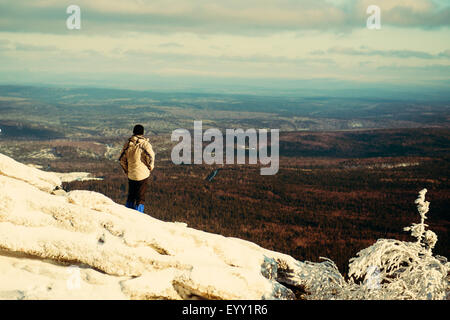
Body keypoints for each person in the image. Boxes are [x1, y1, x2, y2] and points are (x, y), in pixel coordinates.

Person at [119, 124, 155, 213]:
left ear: (133, 132)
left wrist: (127, 170)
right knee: (140, 197)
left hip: (131, 174)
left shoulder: (128, 144)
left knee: (131, 195)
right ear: (142, 132)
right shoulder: (144, 144)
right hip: (142, 174)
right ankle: (139, 214)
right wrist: (150, 167)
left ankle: (127, 212)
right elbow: (151, 157)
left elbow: (121, 159)